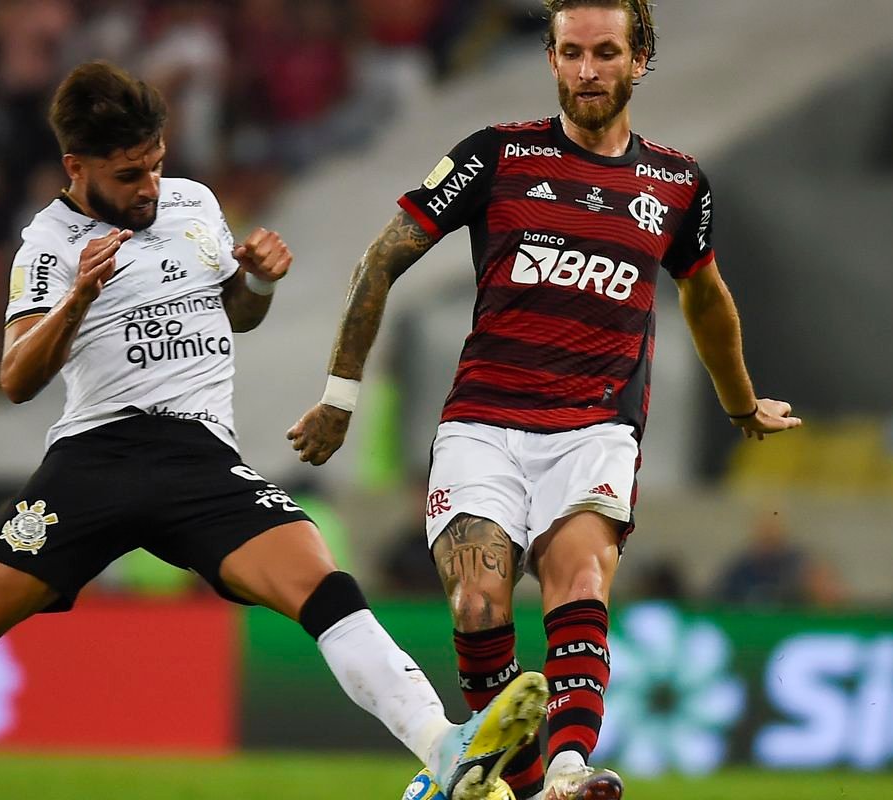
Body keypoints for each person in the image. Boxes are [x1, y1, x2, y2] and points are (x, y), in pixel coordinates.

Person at [0, 62, 545, 800]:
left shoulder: (195, 205)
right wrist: (80, 299)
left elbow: (233, 317)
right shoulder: (47, 248)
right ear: (75, 166)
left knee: (323, 584)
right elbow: (16, 379)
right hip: (93, 460)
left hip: (200, 457)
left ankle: (445, 752)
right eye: (128, 176)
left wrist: (258, 282)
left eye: (155, 165)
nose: (148, 188)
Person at [287, 3, 802, 798]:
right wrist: (339, 395)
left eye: (604, 52)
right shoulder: (495, 156)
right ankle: (527, 787)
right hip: (483, 424)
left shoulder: (674, 183)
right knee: (477, 602)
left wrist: (740, 404)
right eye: (570, 52)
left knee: (580, 581)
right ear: (551, 58)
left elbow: (706, 297)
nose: (587, 69)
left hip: (595, 426)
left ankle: (568, 768)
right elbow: (382, 257)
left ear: (640, 59)